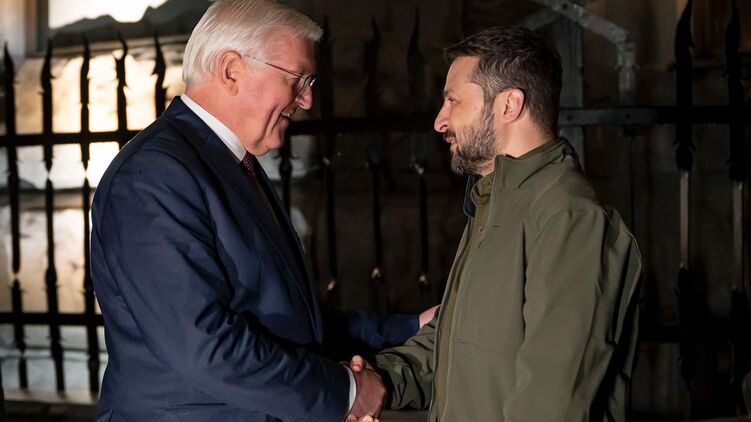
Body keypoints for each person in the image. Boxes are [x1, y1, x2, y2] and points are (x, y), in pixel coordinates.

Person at [91, 1, 429, 420]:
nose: (307, 99)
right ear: (232, 70)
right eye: (297, 79)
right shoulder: (153, 175)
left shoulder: (226, 164)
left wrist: (409, 328)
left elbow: (283, 319)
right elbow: (204, 344)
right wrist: (345, 393)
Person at [350, 26, 643, 421]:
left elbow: (551, 402)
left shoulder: (570, 217)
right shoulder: (495, 203)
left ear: (509, 105)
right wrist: (372, 382)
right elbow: (452, 350)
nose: (440, 121)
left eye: (452, 100)